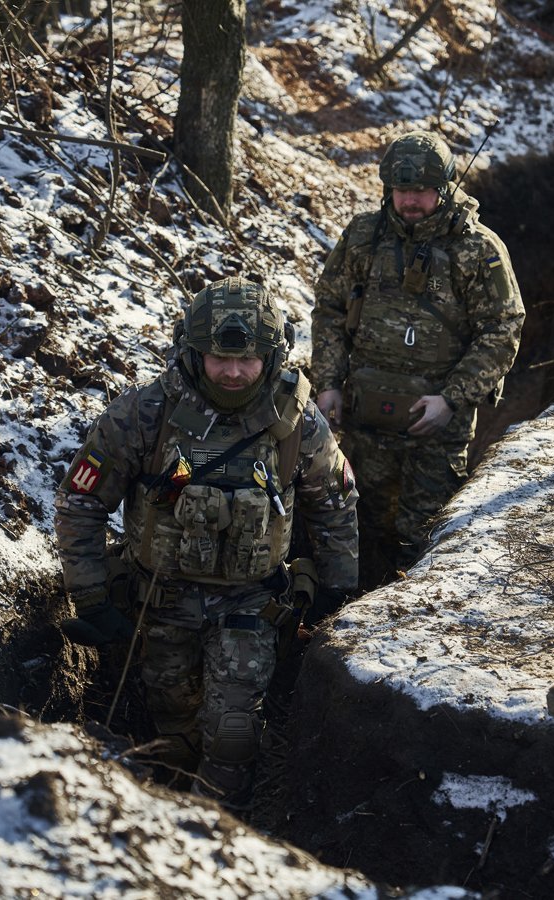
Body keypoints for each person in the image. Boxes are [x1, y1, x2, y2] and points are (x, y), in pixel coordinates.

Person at [54, 276, 359, 810]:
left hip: (251, 604)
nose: (234, 373)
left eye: (248, 361)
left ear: (272, 354)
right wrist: (92, 598)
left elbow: (334, 508)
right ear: (193, 352)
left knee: (232, 733)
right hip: (159, 603)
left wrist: (338, 594)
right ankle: (169, 825)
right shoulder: (146, 415)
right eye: (220, 359)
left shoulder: (296, 422)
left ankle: (223, 837)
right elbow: (80, 503)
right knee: (173, 729)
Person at [311, 129, 524, 585]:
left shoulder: (477, 250)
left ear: (443, 188)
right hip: (365, 417)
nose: (410, 200)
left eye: (421, 190)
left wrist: (450, 398)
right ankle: (348, 623)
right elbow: (329, 308)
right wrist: (328, 382)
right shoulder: (363, 239)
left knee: (423, 534)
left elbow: (503, 329)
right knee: (360, 524)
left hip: (435, 426)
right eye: (401, 190)